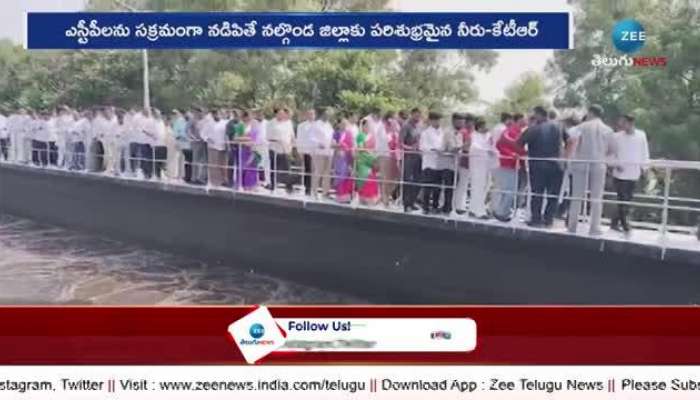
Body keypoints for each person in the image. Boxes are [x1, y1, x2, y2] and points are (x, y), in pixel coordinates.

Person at [566, 104, 616, 235]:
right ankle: (594, 227)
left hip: (581, 163)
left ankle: (572, 226)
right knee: (596, 197)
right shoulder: (608, 130)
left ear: (590, 113)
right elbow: (611, 150)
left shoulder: (581, 127)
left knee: (576, 196)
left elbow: (571, 139)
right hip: (599, 164)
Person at [517, 106, 567, 228]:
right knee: (553, 195)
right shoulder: (559, 127)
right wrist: (564, 156)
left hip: (538, 164)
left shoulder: (533, 128)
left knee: (537, 193)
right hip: (556, 164)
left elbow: (519, 143)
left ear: (539, 115)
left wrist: (527, 154)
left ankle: (536, 219)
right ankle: (548, 219)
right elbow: (570, 140)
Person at [610, 114, 650, 234]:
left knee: (628, 199)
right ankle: (625, 224)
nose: (622, 125)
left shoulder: (641, 135)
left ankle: (614, 222)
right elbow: (611, 153)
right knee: (623, 198)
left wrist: (645, 167)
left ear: (631, 123)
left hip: (633, 173)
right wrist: (615, 164)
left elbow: (644, 152)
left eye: (624, 122)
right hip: (620, 173)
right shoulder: (616, 137)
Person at [492, 113, 527, 221]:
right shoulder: (509, 131)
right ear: (519, 120)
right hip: (507, 164)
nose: (525, 120)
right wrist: (511, 155)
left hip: (515, 164)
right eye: (524, 118)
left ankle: (503, 212)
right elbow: (499, 144)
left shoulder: (519, 132)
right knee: (509, 190)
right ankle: (501, 212)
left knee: (511, 190)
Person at [469, 117, 496, 219]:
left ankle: (475, 208)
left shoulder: (487, 136)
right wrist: (486, 151)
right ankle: (478, 211)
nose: (486, 127)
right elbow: (474, 148)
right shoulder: (474, 136)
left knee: (486, 186)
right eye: (484, 125)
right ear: (479, 127)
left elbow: (491, 147)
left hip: (486, 165)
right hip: (477, 166)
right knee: (477, 187)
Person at [437, 113, 463, 214]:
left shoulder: (459, 134)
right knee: (448, 186)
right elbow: (451, 148)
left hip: (455, 164)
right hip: (447, 164)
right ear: (454, 121)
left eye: (462, 122)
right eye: (459, 122)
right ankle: (446, 208)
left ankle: (449, 207)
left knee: (453, 186)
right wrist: (463, 146)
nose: (461, 124)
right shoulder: (448, 132)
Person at [419, 112, 444, 214]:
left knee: (437, 187)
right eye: (435, 119)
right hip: (429, 163)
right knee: (428, 186)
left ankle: (435, 206)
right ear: (431, 121)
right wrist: (434, 149)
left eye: (438, 119)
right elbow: (423, 147)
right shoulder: (426, 133)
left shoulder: (443, 132)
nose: (437, 121)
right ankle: (425, 207)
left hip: (440, 163)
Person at [266, 107, 295, 193]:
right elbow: (268, 137)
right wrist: (278, 141)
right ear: (276, 114)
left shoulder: (288, 123)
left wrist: (293, 145)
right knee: (274, 168)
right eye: (280, 113)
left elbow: (292, 135)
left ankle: (289, 187)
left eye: (283, 114)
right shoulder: (271, 123)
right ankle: (273, 185)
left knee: (287, 168)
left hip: (286, 149)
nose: (282, 115)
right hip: (274, 149)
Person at [400, 108, 423, 212]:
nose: (418, 117)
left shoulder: (420, 126)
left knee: (418, 180)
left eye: (419, 115)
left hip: (419, 156)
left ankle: (413, 201)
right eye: (416, 115)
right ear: (412, 114)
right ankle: (406, 204)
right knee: (408, 180)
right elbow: (400, 143)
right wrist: (410, 148)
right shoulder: (406, 126)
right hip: (409, 156)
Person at [234, 111, 264, 191]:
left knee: (252, 167)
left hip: (253, 149)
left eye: (249, 116)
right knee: (243, 166)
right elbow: (236, 138)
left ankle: (252, 185)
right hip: (243, 149)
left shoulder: (255, 124)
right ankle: (241, 184)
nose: (248, 118)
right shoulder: (240, 126)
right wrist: (246, 139)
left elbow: (258, 137)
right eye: (246, 117)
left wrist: (251, 141)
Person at [310, 108, 334, 199]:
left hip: (329, 152)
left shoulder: (329, 125)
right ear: (323, 114)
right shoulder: (316, 124)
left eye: (330, 114)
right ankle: (314, 192)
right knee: (318, 171)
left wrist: (333, 142)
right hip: (319, 152)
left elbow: (331, 136)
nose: (328, 116)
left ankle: (325, 193)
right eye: (327, 114)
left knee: (327, 173)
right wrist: (318, 143)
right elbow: (311, 138)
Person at [201, 109, 229, 187]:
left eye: (219, 114)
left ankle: (224, 180)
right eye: (216, 114)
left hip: (223, 146)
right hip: (212, 146)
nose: (217, 116)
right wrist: (207, 139)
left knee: (223, 164)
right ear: (213, 115)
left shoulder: (225, 123)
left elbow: (227, 134)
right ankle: (214, 182)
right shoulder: (209, 123)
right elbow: (203, 134)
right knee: (213, 164)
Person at [355, 118, 380, 205]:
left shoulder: (371, 136)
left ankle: (371, 198)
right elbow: (361, 148)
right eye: (366, 125)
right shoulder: (360, 135)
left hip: (371, 159)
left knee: (372, 178)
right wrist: (370, 153)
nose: (368, 127)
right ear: (363, 126)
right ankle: (363, 198)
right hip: (363, 159)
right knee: (365, 177)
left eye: (369, 125)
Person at [454, 114, 474, 215]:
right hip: (464, 159)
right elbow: (460, 146)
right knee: (462, 183)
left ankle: (462, 204)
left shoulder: (472, 132)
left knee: (466, 184)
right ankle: (458, 205)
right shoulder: (463, 132)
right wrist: (466, 145)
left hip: (471, 160)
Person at [332, 118, 355, 204]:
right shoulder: (336, 133)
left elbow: (352, 145)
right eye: (342, 124)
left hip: (348, 157)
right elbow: (332, 144)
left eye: (345, 124)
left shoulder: (349, 134)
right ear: (339, 125)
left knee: (348, 176)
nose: (344, 126)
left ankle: (347, 196)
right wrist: (341, 146)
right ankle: (340, 196)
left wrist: (351, 153)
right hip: (340, 157)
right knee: (340, 176)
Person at [296, 108, 316, 195]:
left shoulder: (318, 126)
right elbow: (299, 138)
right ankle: (307, 189)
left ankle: (314, 188)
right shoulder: (301, 126)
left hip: (316, 152)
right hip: (306, 151)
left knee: (315, 171)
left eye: (312, 114)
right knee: (307, 170)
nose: (311, 116)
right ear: (306, 115)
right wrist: (299, 150)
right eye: (309, 114)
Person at [172, 109, 191, 182]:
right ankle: (177, 174)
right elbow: (175, 132)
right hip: (180, 142)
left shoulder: (190, 122)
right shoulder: (179, 121)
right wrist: (179, 136)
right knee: (179, 158)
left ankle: (184, 175)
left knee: (186, 160)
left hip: (189, 143)